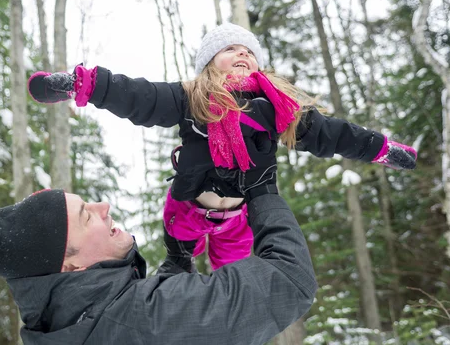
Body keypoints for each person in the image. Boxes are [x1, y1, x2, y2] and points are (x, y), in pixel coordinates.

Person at [28, 23, 417, 274]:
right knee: (179, 261)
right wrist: (84, 85)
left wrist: (381, 149)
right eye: (230, 49)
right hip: (189, 205)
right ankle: (173, 284)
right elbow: (139, 97)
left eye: (248, 51)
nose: (242, 54)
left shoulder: (278, 109)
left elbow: (334, 134)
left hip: (240, 216)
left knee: (231, 275)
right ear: (210, 64)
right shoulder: (191, 98)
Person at [0, 134, 319, 344]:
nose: (104, 206)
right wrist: (263, 191)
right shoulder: (143, 321)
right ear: (69, 263)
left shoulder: (53, 328)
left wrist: (177, 263)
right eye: (85, 215)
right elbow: (290, 279)